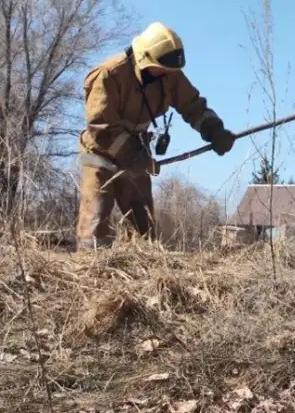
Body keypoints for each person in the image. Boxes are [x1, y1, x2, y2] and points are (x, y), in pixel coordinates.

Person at [75, 22, 235, 250]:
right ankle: (88, 275)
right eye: (161, 68)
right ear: (144, 58)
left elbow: (193, 107)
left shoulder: (170, 76)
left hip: (137, 155)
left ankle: (145, 279)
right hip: (100, 158)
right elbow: (102, 127)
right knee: (95, 228)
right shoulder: (109, 74)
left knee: (146, 232)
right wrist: (133, 157)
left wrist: (214, 131)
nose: (167, 74)